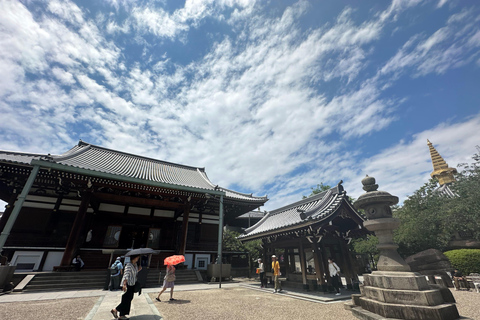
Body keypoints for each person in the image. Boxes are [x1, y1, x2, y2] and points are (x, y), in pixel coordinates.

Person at [111, 255, 142, 320]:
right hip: (128, 284)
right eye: (137, 258)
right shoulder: (129, 265)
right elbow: (126, 274)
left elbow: (133, 273)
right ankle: (116, 310)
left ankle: (122, 315)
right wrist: (124, 284)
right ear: (134, 258)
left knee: (128, 298)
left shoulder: (135, 265)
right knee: (127, 298)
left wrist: (138, 270)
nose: (138, 259)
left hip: (133, 283)